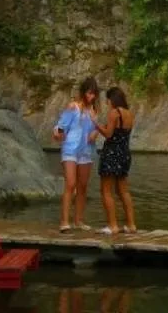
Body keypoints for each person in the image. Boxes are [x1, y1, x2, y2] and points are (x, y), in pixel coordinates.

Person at [53, 77, 100, 232]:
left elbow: (95, 129)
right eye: (89, 93)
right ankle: (64, 221)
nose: (91, 97)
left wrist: (95, 134)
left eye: (94, 94)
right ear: (83, 92)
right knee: (70, 184)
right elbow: (61, 126)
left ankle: (78, 220)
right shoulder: (73, 107)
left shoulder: (94, 110)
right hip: (70, 149)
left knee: (83, 186)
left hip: (86, 150)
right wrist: (58, 134)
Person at [93, 87, 136, 235]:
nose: (107, 103)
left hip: (111, 154)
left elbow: (109, 134)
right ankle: (131, 225)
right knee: (123, 191)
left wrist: (96, 125)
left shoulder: (114, 113)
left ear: (112, 99)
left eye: (107, 100)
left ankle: (113, 226)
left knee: (106, 191)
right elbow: (121, 133)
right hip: (125, 154)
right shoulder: (129, 114)